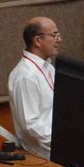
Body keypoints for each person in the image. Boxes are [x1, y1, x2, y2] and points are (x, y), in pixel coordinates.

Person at [7, 17, 61, 159]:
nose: (59, 40)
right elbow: (31, 124)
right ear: (37, 40)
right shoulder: (25, 75)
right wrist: (63, 141)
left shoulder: (48, 67)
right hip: (43, 154)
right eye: (54, 35)